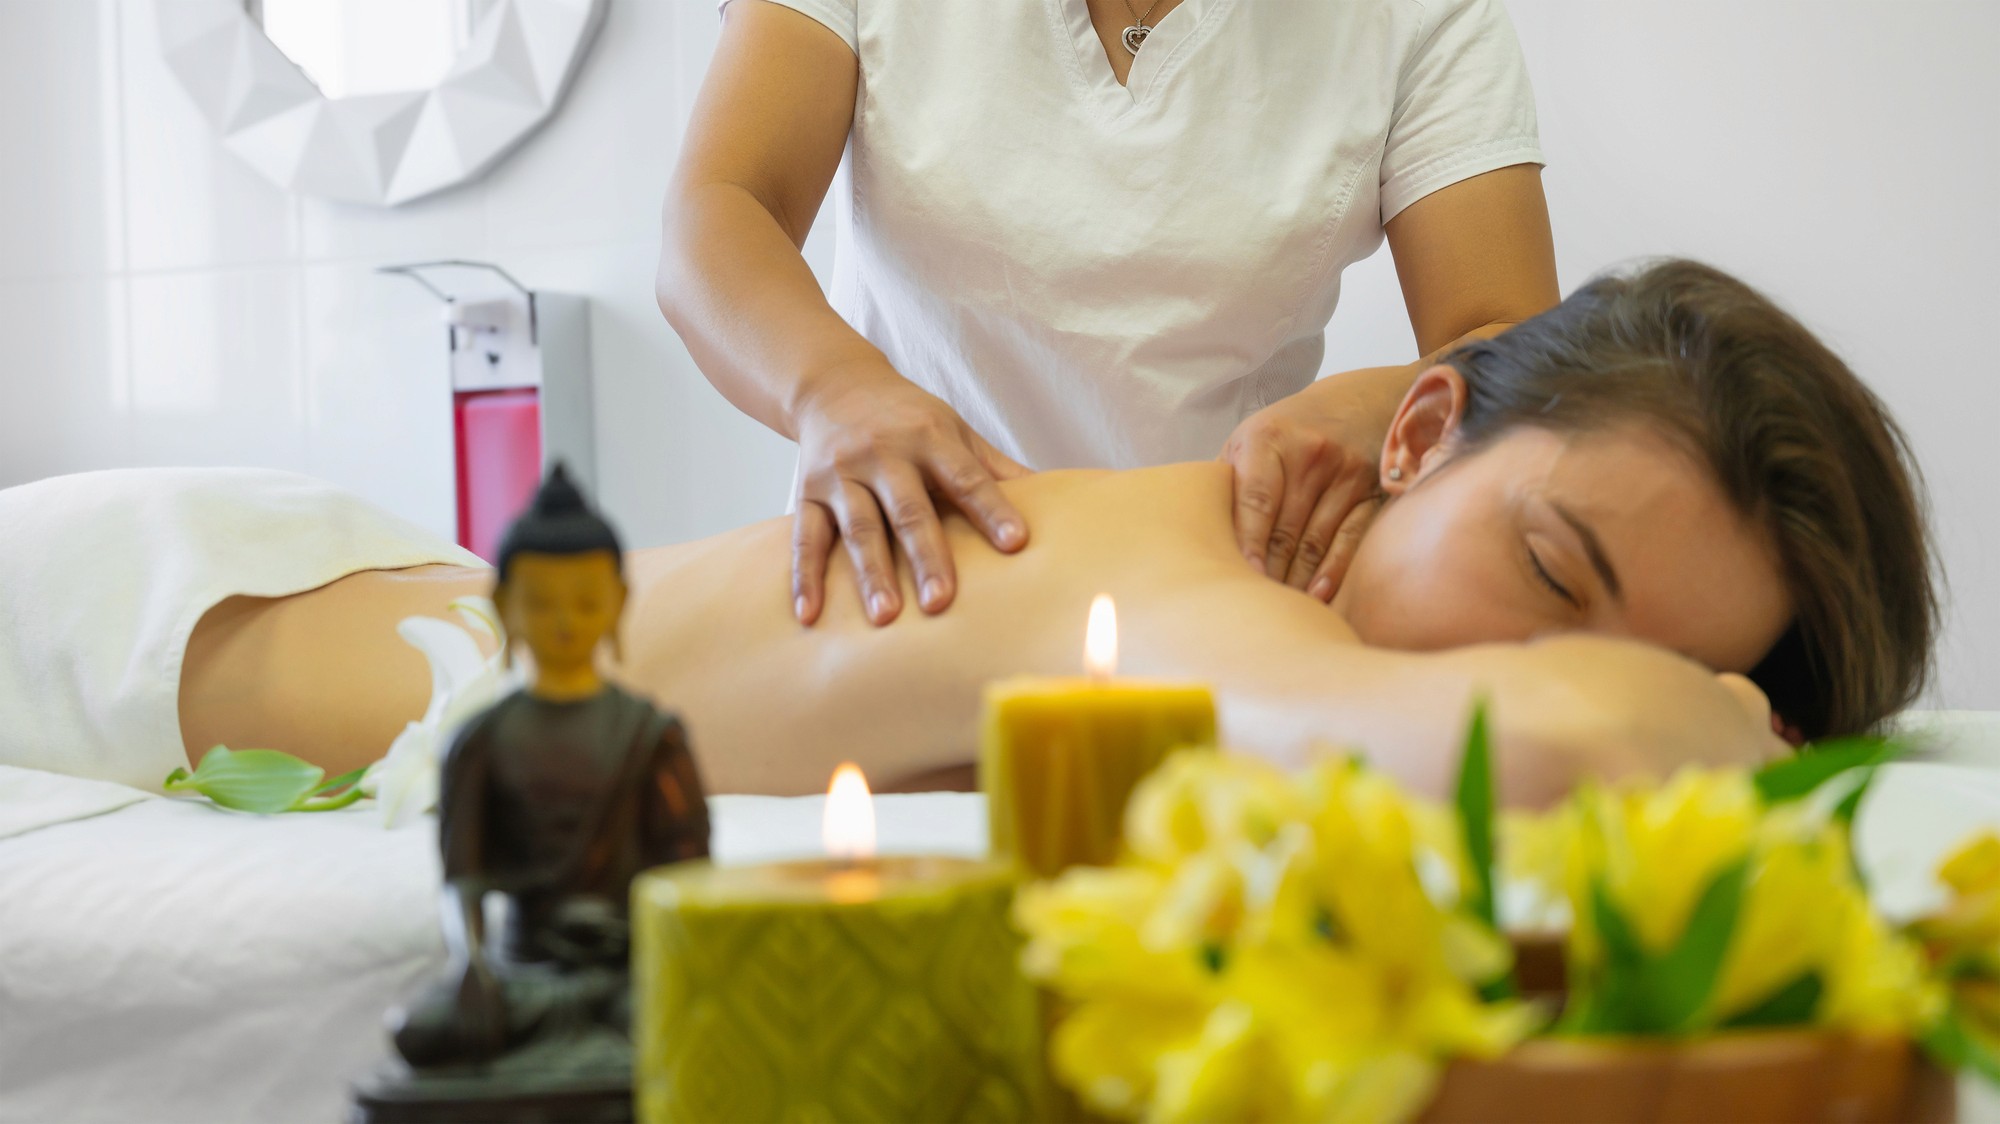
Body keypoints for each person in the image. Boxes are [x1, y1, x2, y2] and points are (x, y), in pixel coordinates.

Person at [3, 262, 1933, 804]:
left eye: (1667, 650)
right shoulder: (1159, 584)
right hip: (148, 607)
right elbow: (1531, 751)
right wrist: (1692, 715)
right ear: (1421, 429)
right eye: (1558, 585)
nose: (1540, 665)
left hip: (357, 560)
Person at [656, 0, 1559, 630]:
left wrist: (1386, 410)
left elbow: (1514, 339)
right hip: (907, 569)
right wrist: (835, 393)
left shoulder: (1423, 16)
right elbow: (721, 209)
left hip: (1216, 596)